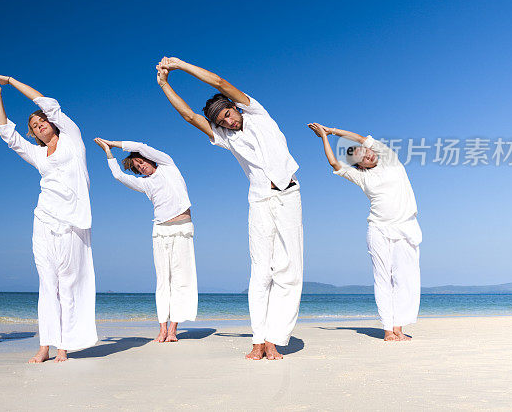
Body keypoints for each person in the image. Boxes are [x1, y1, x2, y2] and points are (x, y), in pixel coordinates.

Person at [156, 57, 302, 360]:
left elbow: (220, 83)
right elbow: (188, 116)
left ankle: (274, 339)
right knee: (260, 271)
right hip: (260, 201)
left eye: (228, 114)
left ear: (235, 107)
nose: (228, 121)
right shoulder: (226, 137)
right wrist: (165, 84)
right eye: (222, 121)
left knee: (288, 270)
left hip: (288, 196)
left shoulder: (257, 113)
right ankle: (258, 339)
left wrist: (181, 66)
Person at [0, 72, 97, 363]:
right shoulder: (37, 154)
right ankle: (45, 345)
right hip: (43, 219)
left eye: (41, 120)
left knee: (67, 283)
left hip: (72, 222)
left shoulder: (73, 138)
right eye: (34, 125)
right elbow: (8, 134)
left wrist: (9, 81)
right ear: (33, 133)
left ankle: (64, 346)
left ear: (51, 121)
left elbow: (47, 102)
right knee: (47, 282)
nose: (39, 124)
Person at [307, 123, 421, 341]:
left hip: (405, 227)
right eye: (362, 157)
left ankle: (399, 327)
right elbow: (334, 163)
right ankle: (388, 329)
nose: (368, 155)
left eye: (367, 151)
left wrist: (330, 131)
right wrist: (323, 138)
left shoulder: (391, 161)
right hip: (378, 229)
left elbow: (360, 138)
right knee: (382, 278)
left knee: (405, 278)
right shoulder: (362, 177)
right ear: (360, 165)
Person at [93, 137, 198, 342]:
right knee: (162, 281)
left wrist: (113, 143)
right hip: (160, 231)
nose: (141, 167)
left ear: (150, 160)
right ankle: (162, 328)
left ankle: (173, 329)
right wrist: (108, 152)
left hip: (183, 229)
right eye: (137, 167)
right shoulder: (144, 184)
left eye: (141, 162)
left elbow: (140, 147)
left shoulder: (168, 165)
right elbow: (118, 176)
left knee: (180, 279)